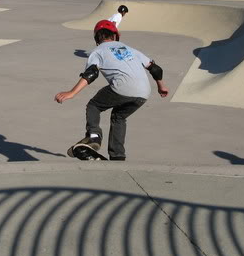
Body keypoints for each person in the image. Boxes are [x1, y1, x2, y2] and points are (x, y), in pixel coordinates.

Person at [55, 20, 169, 161]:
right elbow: (156, 69)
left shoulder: (97, 51)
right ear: (115, 35)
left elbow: (91, 73)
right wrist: (161, 86)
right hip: (144, 92)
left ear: (97, 38)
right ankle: (117, 156)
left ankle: (94, 137)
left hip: (123, 87)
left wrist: (72, 92)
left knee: (94, 105)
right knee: (119, 117)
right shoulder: (130, 49)